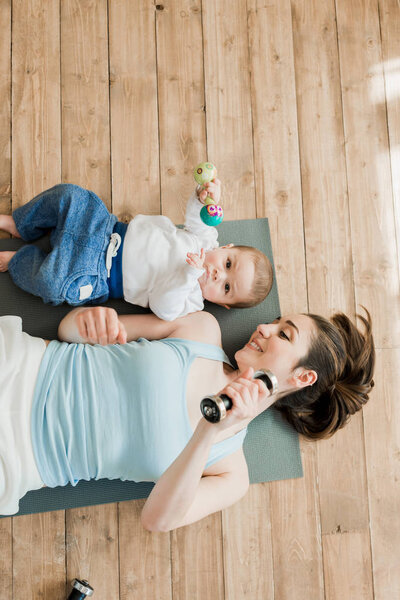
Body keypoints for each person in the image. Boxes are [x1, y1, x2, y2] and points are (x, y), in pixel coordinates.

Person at [0, 303, 374, 528]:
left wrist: (210, 431)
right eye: (276, 322)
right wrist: (88, 319)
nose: (264, 327)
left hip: (18, 458)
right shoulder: (201, 329)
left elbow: (157, 520)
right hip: (20, 362)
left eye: (283, 334)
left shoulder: (230, 472)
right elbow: (71, 329)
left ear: (301, 377)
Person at [0, 181, 273, 320]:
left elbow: (162, 307)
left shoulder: (191, 301)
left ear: (222, 304)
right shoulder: (205, 239)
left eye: (226, 288)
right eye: (227, 264)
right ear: (226, 248)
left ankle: (21, 262)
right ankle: (23, 224)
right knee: (70, 195)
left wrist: (189, 275)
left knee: (53, 283)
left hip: (97, 274)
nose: (216, 275)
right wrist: (204, 196)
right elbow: (198, 216)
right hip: (105, 227)